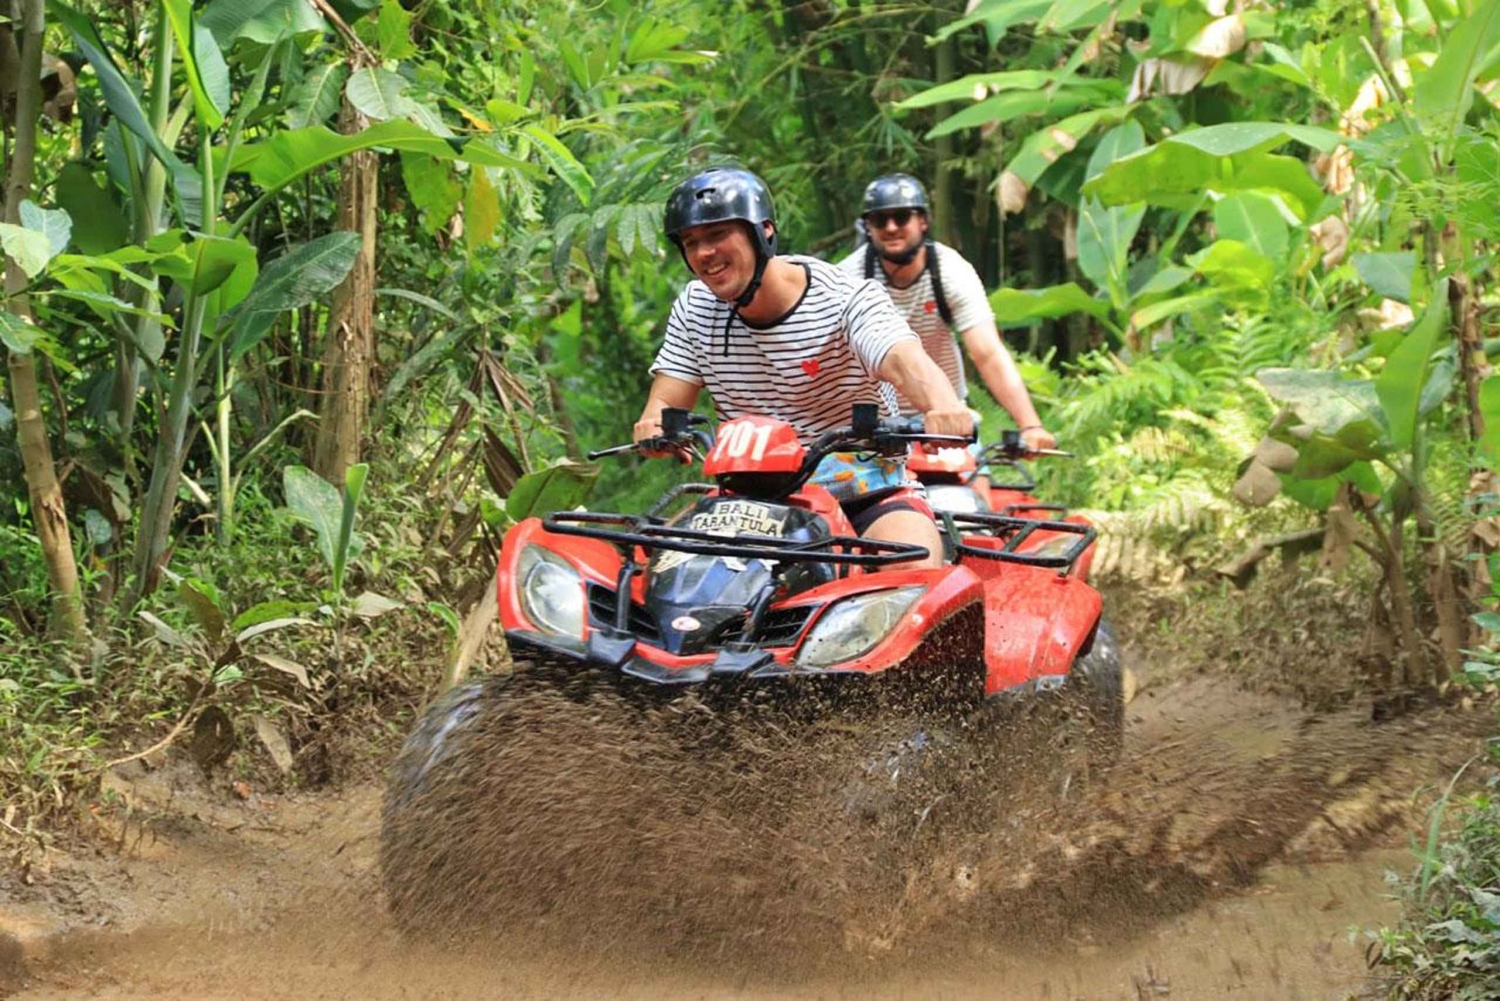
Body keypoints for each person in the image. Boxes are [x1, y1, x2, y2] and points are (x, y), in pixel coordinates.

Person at [633, 166, 972, 571]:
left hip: (866, 491)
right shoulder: (696, 307)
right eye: (691, 242)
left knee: (915, 575)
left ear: (764, 232)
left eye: (718, 235)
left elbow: (902, 360)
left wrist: (943, 405)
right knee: (653, 574)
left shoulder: (846, 297)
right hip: (747, 501)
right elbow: (666, 402)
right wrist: (654, 426)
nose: (705, 252)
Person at [838, 174, 1055, 486]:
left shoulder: (951, 271)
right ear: (867, 227)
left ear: (923, 221)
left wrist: (1030, 426)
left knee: (975, 499)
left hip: (947, 414)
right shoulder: (849, 277)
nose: (890, 227)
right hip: (876, 424)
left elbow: (987, 352)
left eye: (901, 217)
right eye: (879, 219)